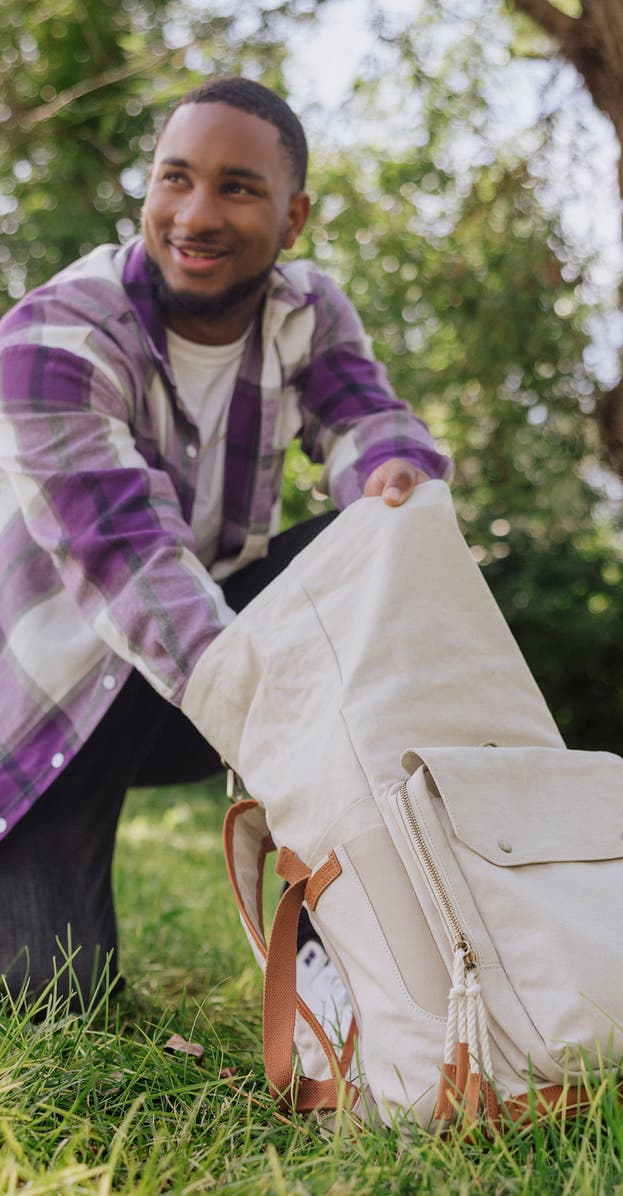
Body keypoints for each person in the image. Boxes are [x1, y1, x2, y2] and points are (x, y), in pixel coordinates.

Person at [0, 77, 452, 1011]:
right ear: (149, 191)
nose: (196, 215)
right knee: (54, 999)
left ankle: (345, 962)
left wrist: (399, 487)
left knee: (383, 541)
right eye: (176, 179)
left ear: (293, 219)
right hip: (46, 701)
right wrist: (291, 727)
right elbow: (135, 570)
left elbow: (372, 426)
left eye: (237, 188)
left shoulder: (307, 312)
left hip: (193, 667)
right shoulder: (53, 336)